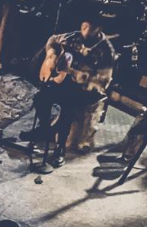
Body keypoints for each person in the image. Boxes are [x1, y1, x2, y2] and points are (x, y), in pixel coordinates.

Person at [31, 18, 115, 165]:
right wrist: (52, 55)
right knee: (40, 98)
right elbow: (52, 39)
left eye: (90, 28)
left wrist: (84, 77)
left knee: (67, 108)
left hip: (85, 91)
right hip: (63, 82)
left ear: (99, 29)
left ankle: (60, 147)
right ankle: (45, 129)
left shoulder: (106, 50)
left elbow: (104, 81)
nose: (85, 30)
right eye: (84, 26)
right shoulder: (72, 37)